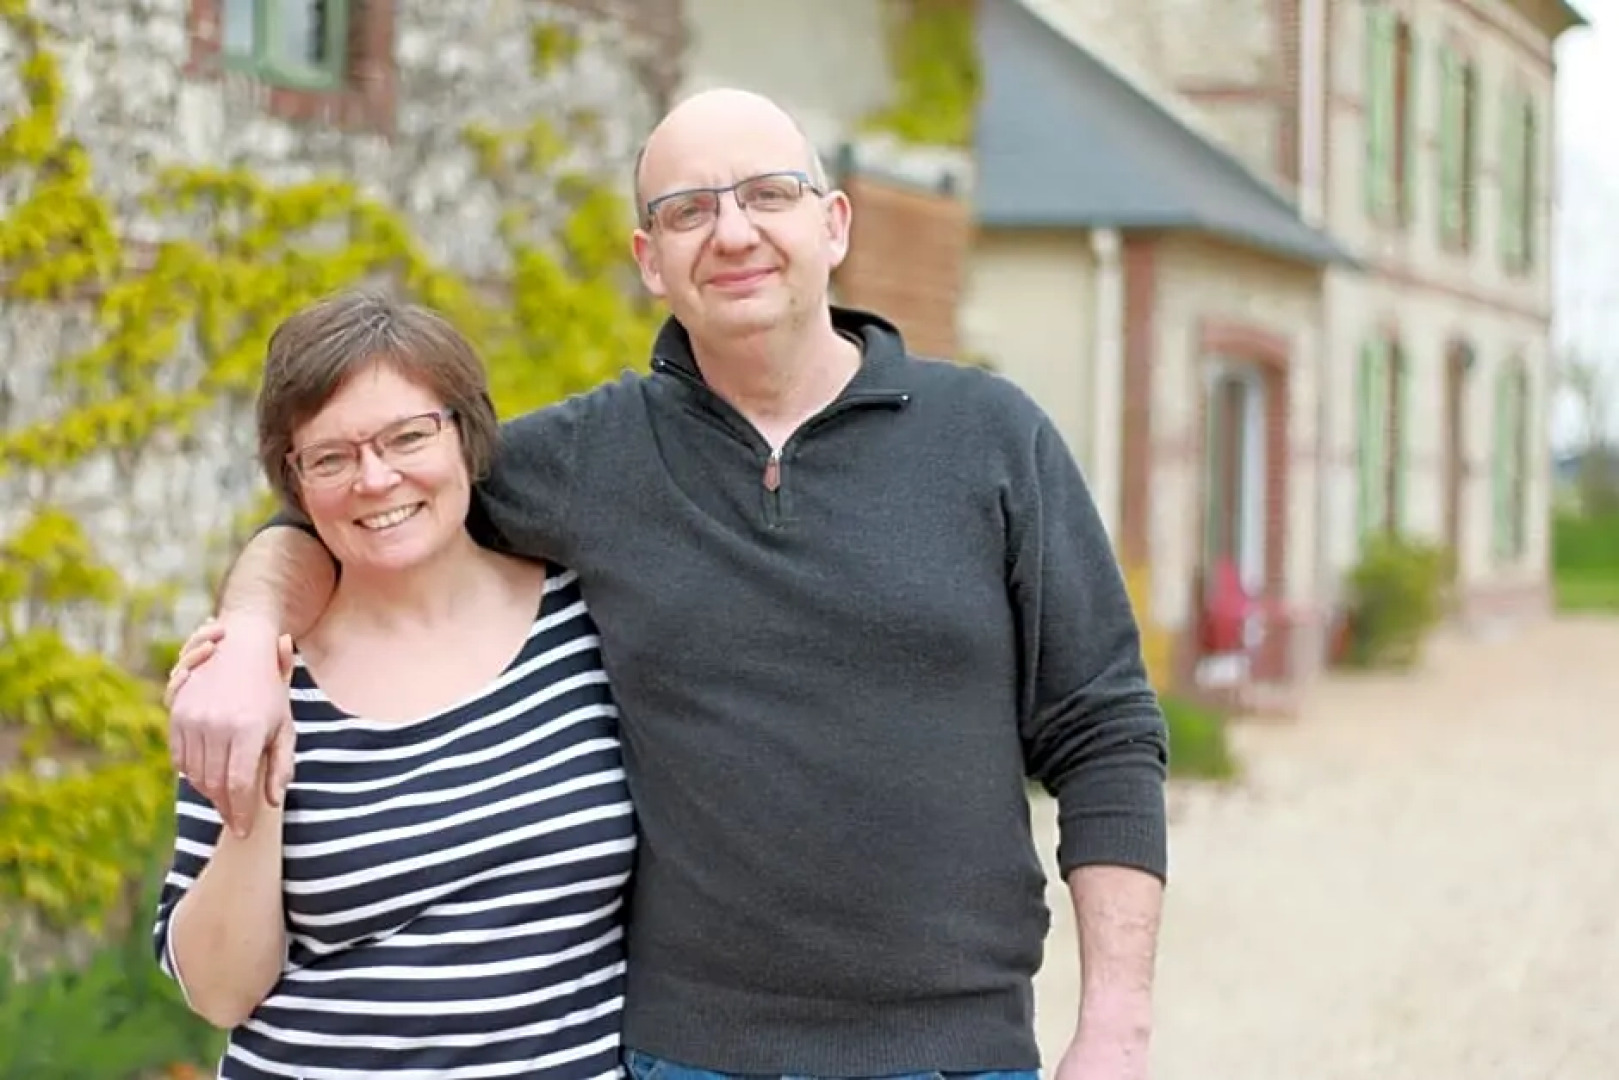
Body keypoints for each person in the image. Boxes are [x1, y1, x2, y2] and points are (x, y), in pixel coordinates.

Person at [166, 87, 1170, 1080]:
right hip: (687, 1058)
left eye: (767, 194)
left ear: (833, 223)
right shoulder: (587, 459)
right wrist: (250, 638)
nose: (731, 233)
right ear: (649, 260)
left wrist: (1115, 1030)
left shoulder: (990, 439)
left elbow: (1104, 730)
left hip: (954, 1054)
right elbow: (360, 510)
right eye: (688, 211)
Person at [152, 292, 636, 1079]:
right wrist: (254, 786)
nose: (375, 479)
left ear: (466, 435)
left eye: (408, 436)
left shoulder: (589, 620)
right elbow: (220, 993)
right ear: (294, 482)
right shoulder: (258, 672)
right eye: (331, 458)